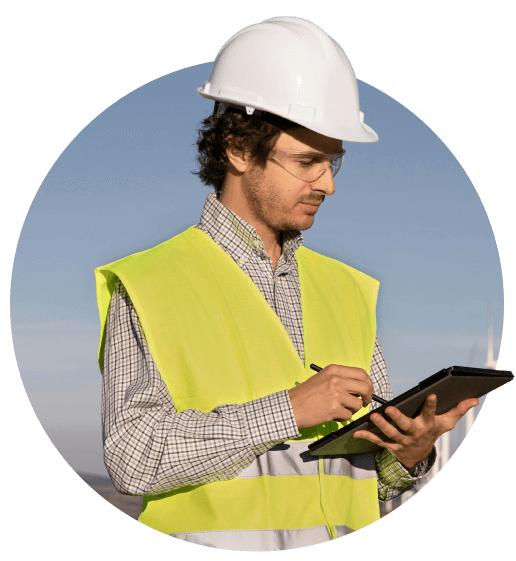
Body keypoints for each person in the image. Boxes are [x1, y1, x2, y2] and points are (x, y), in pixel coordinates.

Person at [95, 16, 479, 551]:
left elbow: (373, 485)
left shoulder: (348, 290)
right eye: (307, 161)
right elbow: (132, 460)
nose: (328, 184)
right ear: (237, 149)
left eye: (333, 162)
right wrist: (289, 410)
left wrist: (407, 456)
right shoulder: (151, 283)